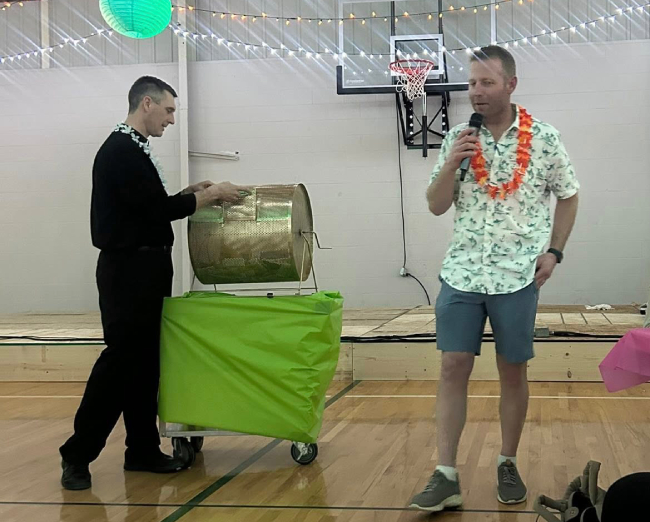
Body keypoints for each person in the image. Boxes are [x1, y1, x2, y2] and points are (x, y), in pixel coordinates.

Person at [409, 46, 580, 512]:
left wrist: (554, 251)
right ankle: (446, 474)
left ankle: (507, 461)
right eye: (471, 83)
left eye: (486, 82)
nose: (476, 92)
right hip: (462, 272)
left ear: (510, 84)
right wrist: (451, 163)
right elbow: (436, 205)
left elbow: (568, 195)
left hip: (519, 276)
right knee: (452, 366)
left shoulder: (543, 137)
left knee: (512, 370)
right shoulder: (458, 138)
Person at [59, 76, 249, 490]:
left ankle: (142, 449)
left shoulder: (132, 149)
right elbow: (155, 212)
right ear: (147, 103)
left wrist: (189, 192)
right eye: (168, 110)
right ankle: (77, 453)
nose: (172, 119)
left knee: (145, 365)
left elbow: (145, 208)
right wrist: (210, 195)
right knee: (119, 364)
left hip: (146, 269)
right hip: (128, 272)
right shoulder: (120, 151)